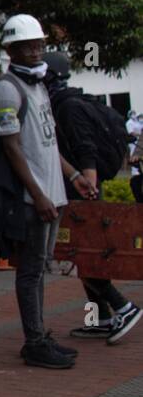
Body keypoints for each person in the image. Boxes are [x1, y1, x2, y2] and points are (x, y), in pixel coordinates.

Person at [0, 15, 94, 369]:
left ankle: (40, 334)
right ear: (10, 50)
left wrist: (73, 175)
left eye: (39, 45)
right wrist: (39, 194)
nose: (35, 51)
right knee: (30, 271)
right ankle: (34, 342)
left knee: (39, 269)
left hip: (51, 194)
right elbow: (12, 148)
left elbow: (46, 145)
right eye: (27, 46)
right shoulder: (7, 89)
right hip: (33, 200)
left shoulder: (38, 85)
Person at [43, 52, 141, 344]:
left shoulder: (68, 107)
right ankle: (99, 318)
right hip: (84, 190)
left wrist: (89, 187)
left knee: (82, 256)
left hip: (83, 192)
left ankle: (123, 306)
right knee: (86, 255)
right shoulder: (75, 101)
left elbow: (85, 147)